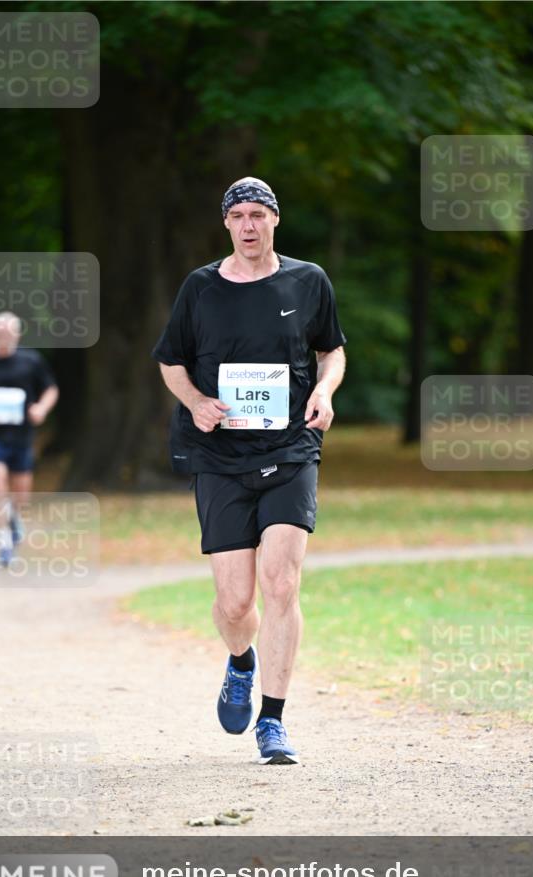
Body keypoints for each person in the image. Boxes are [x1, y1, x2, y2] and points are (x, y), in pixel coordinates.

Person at [153, 177, 346, 764]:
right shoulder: (201, 287)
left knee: (281, 583)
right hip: (218, 455)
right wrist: (195, 402)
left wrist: (325, 392)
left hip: (290, 447)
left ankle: (274, 721)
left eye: (259, 214)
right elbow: (171, 361)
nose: (249, 225)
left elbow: (331, 350)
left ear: (275, 220)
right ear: (226, 224)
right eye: (238, 215)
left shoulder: (307, 281)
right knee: (236, 603)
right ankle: (241, 661)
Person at [0, 311, 59, 566]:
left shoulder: (31, 361)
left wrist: (41, 409)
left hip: (22, 436)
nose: (4, 337)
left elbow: (51, 389)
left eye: (9, 332)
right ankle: (3, 541)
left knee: (21, 492)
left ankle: (15, 518)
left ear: (17, 334)